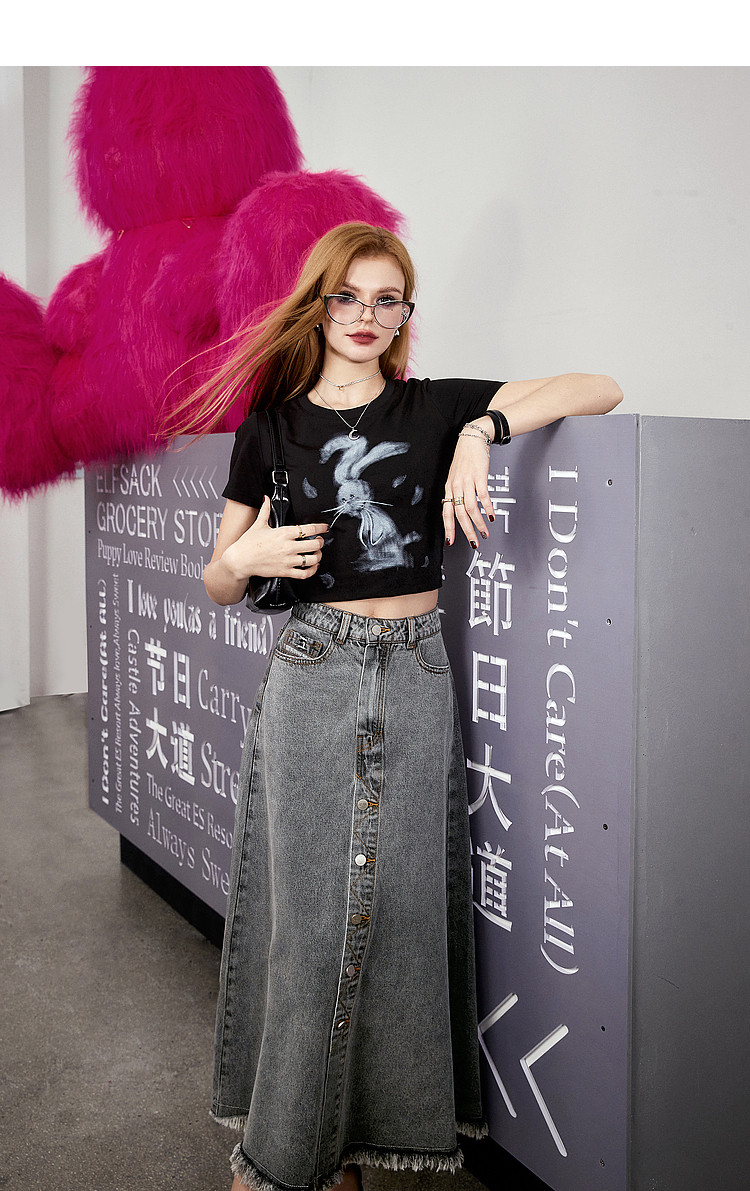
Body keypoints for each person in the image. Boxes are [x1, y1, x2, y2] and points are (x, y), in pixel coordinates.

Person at [174, 222, 622, 1191]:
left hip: (416, 672)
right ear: (319, 304)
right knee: (310, 922)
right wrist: (244, 557)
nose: (366, 316)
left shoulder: (433, 407)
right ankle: (278, 1158)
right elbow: (217, 579)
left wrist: (481, 431)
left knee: (397, 917)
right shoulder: (271, 426)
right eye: (348, 296)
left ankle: (343, 1147)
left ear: (405, 314)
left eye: (388, 300)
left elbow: (600, 386)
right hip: (314, 668)